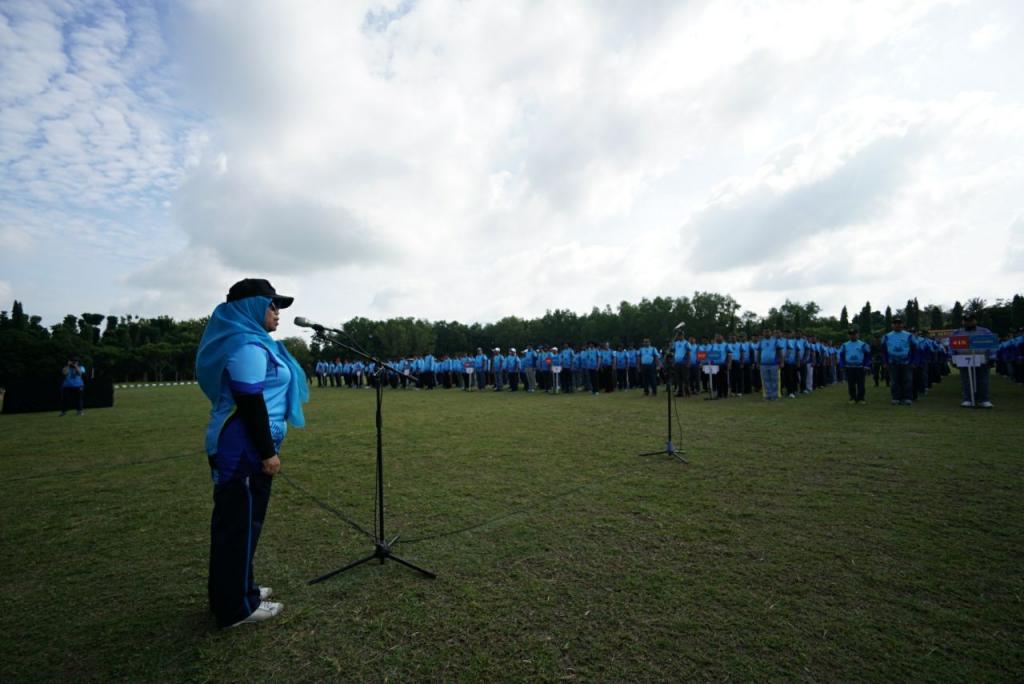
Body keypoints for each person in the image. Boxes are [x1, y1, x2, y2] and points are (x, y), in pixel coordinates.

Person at [196, 278, 309, 628]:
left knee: (247, 523)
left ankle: (242, 589)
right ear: (251, 307)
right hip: (243, 448)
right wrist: (266, 451)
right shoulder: (246, 346)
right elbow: (249, 401)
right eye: (272, 305)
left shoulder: (258, 344)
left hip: (252, 446)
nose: (277, 313)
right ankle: (234, 609)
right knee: (238, 526)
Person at [951, 312, 995, 408]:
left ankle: (984, 400)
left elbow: (992, 345)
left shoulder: (985, 331)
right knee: (966, 379)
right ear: (963, 322)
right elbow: (952, 347)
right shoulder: (957, 333)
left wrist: (992, 358)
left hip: (982, 358)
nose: (968, 323)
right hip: (964, 359)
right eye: (966, 321)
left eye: (971, 321)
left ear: (975, 321)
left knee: (983, 379)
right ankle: (967, 399)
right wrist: (952, 359)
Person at [881, 315, 915, 406]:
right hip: (892, 362)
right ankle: (896, 398)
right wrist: (885, 362)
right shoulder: (887, 336)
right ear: (892, 325)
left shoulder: (909, 335)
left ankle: (907, 398)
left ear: (902, 325)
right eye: (895, 323)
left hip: (906, 362)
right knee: (895, 380)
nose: (897, 325)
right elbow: (883, 351)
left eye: (899, 323)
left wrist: (913, 361)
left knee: (907, 380)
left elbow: (915, 349)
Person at [839, 327, 871, 403]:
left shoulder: (863, 344)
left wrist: (867, 365)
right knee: (851, 383)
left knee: (861, 383)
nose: (852, 336)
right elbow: (841, 356)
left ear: (857, 334)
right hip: (849, 367)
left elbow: (868, 355)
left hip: (860, 367)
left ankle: (861, 398)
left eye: (854, 334)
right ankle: (852, 397)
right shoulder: (845, 345)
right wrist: (842, 365)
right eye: (850, 334)